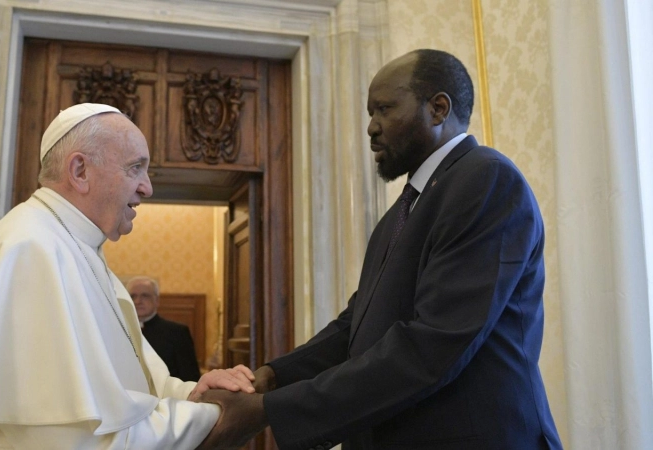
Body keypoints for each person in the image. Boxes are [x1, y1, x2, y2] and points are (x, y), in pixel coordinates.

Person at [196, 49, 563, 450]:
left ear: (438, 108)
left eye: (385, 109)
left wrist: (271, 409)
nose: (371, 128)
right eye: (371, 113)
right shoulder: (403, 211)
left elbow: (432, 344)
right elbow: (355, 327)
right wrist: (270, 377)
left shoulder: (486, 180)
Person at [0, 103, 256, 449]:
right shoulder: (31, 251)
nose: (147, 187)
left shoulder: (79, 250)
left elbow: (131, 387)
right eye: (136, 168)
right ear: (80, 171)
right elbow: (79, 438)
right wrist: (216, 415)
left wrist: (193, 392)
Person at [127, 276, 202, 382]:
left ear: (157, 300)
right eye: (133, 296)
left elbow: (190, 377)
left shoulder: (177, 333)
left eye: (145, 296)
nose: (138, 301)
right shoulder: (119, 331)